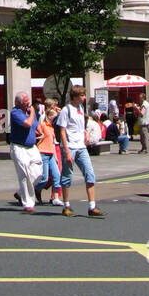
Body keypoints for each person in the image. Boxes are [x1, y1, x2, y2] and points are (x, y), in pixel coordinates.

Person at [55, 86, 104, 218]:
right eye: (82, 95)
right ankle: (66, 205)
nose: (84, 98)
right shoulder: (66, 110)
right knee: (67, 176)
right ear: (75, 96)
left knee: (90, 174)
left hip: (81, 146)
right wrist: (66, 151)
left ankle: (92, 206)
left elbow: (79, 126)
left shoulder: (81, 109)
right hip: (70, 146)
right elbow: (62, 131)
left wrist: (85, 132)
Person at [9, 92, 41, 212]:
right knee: (24, 174)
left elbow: (36, 126)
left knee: (38, 172)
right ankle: (28, 203)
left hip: (31, 146)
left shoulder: (28, 113)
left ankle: (21, 192)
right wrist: (32, 112)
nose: (28, 103)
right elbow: (27, 124)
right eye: (25, 101)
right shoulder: (15, 112)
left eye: (28, 100)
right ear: (18, 103)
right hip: (19, 147)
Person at [34, 102, 63, 207]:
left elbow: (53, 142)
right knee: (44, 178)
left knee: (57, 176)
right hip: (43, 153)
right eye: (53, 117)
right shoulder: (43, 125)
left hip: (51, 153)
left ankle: (56, 198)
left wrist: (55, 156)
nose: (55, 119)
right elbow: (36, 135)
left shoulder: (52, 128)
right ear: (49, 116)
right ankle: (35, 189)